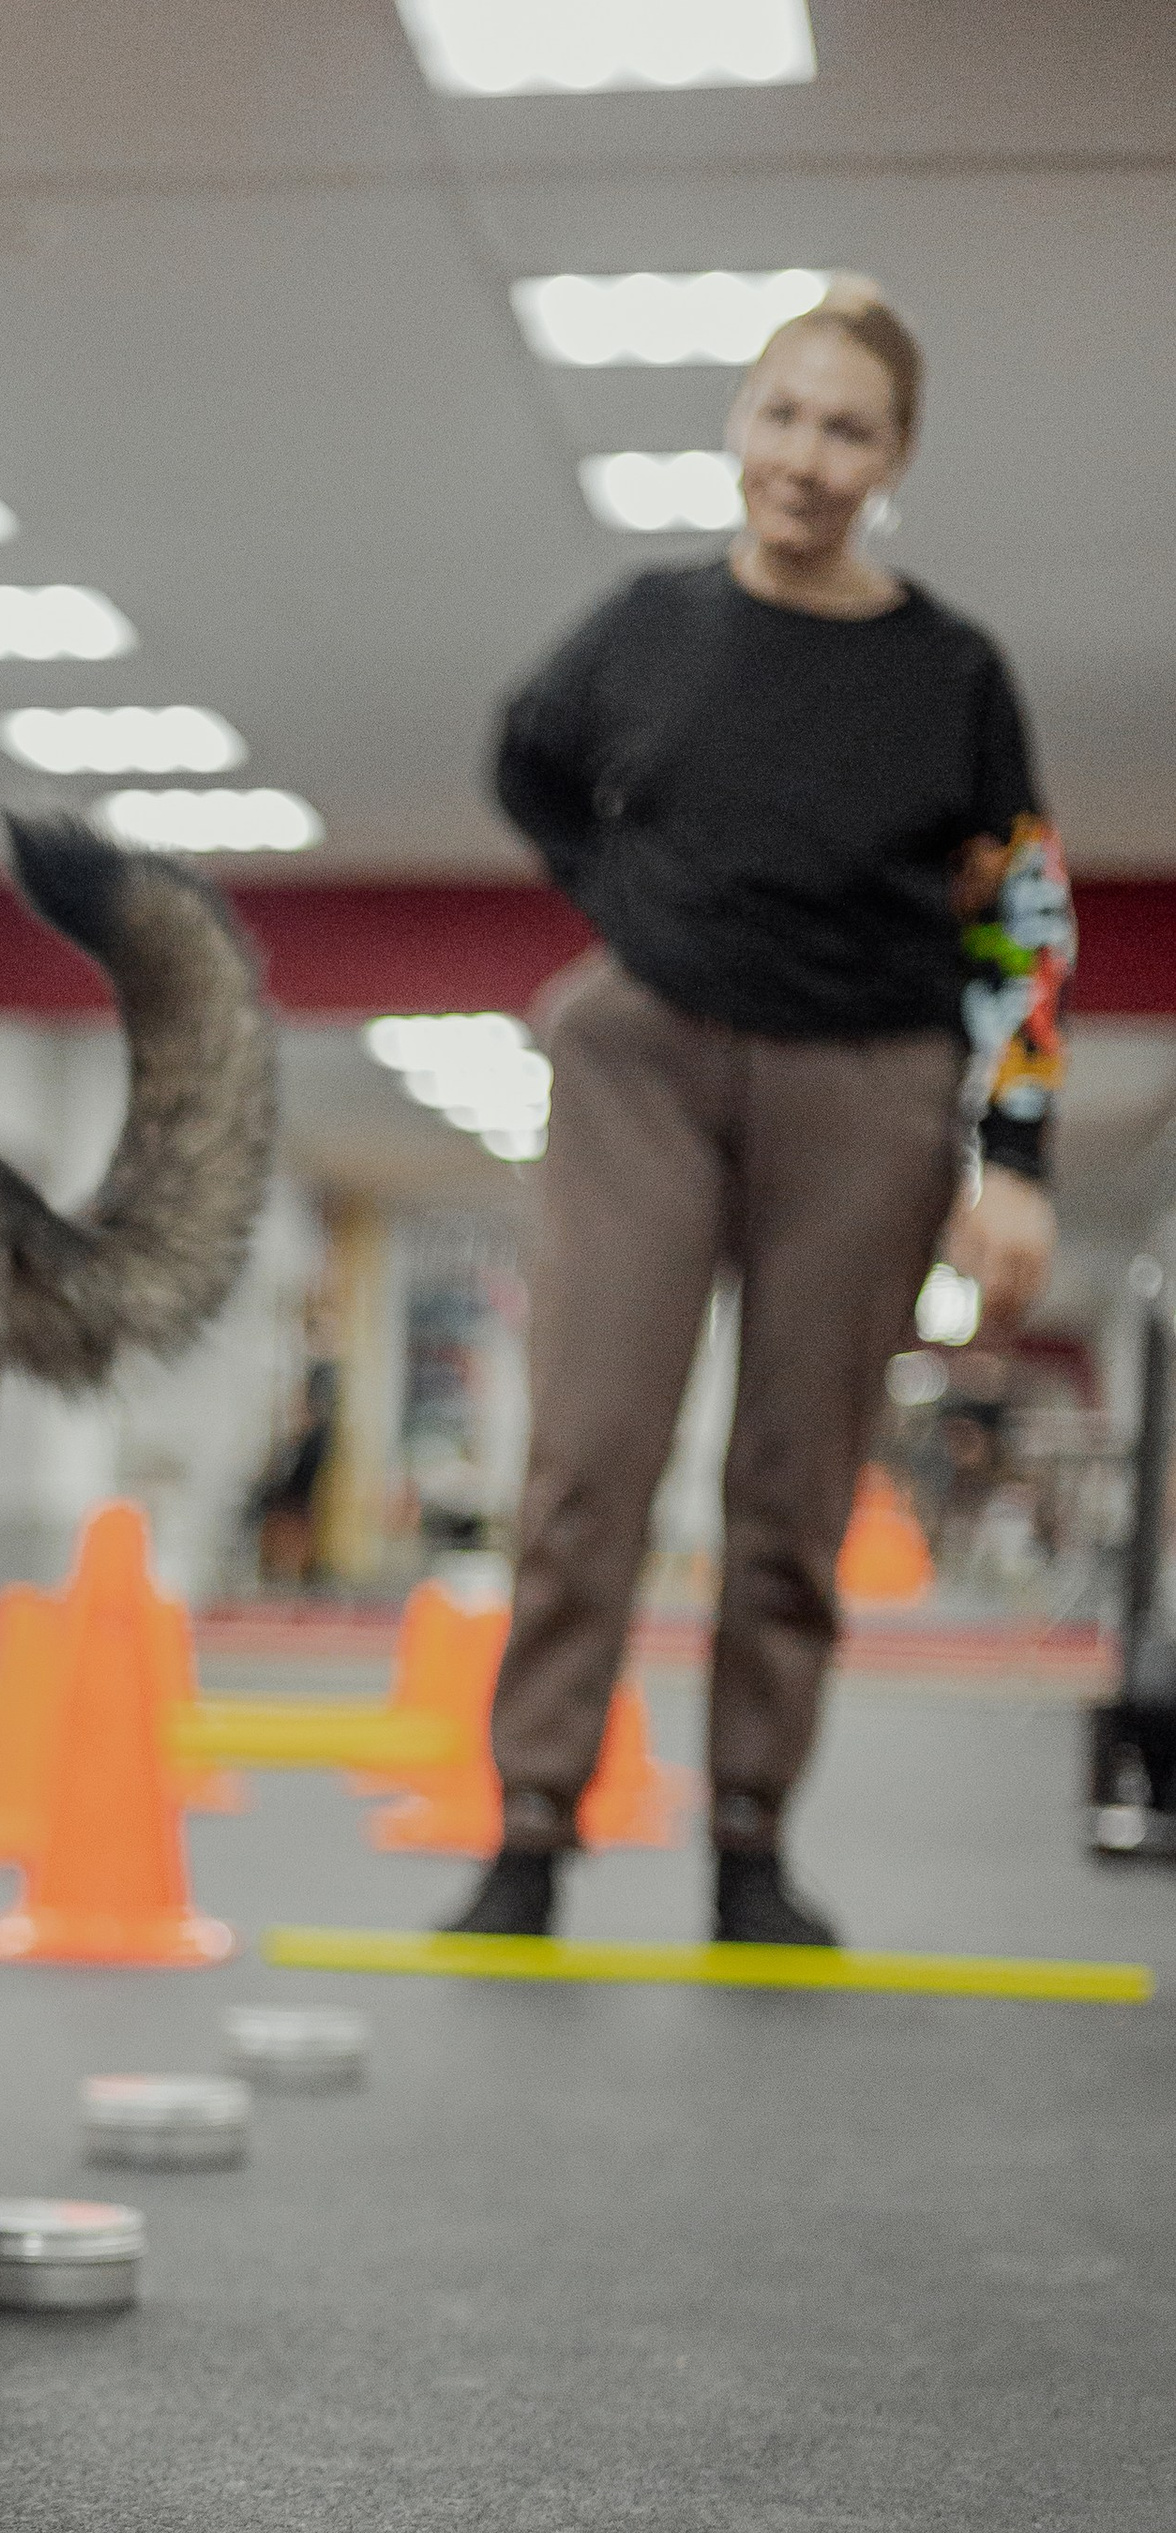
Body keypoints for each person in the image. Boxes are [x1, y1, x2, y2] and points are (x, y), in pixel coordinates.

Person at [455, 280, 1073, 1944]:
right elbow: (526, 760)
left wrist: (1015, 1154)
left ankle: (748, 1841)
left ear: (897, 458)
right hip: (646, 1064)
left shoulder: (950, 672)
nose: (806, 455)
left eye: (848, 428)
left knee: (797, 1482)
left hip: (868, 1082)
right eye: (782, 414)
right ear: (740, 424)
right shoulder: (647, 627)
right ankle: (532, 1824)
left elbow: (1025, 918)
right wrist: (629, 908)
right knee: (591, 1450)